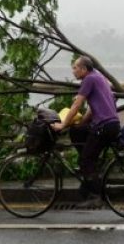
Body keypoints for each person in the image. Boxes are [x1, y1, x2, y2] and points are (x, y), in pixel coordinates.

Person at [51, 56, 120, 202]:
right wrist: (80, 123)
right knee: (77, 130)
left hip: (104, 126)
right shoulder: (98, 76)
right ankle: (89, 173)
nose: (73, 71)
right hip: (111, 125)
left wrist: (63, 124)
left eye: (75, 68)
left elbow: (76, 106)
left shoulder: (88, 80)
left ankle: (97, 195)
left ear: (83, 69)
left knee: (86, 160)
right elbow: (91, 109)